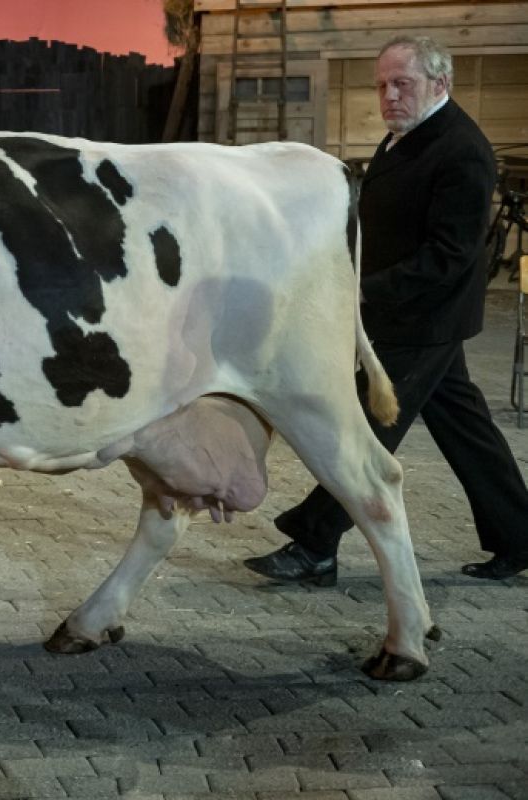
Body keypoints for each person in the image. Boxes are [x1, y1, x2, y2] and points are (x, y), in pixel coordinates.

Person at [245, 35, 528, 585]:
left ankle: (316, 543)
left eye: (403, 84)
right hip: (411, 314)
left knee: (363, 427)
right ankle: (519, 536)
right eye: (382, 85)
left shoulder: (462, 151)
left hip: (425, 318)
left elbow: (450, 257)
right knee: (467, 430)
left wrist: (361, 292)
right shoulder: (409, 135)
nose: (389, 96)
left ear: (439, 83)